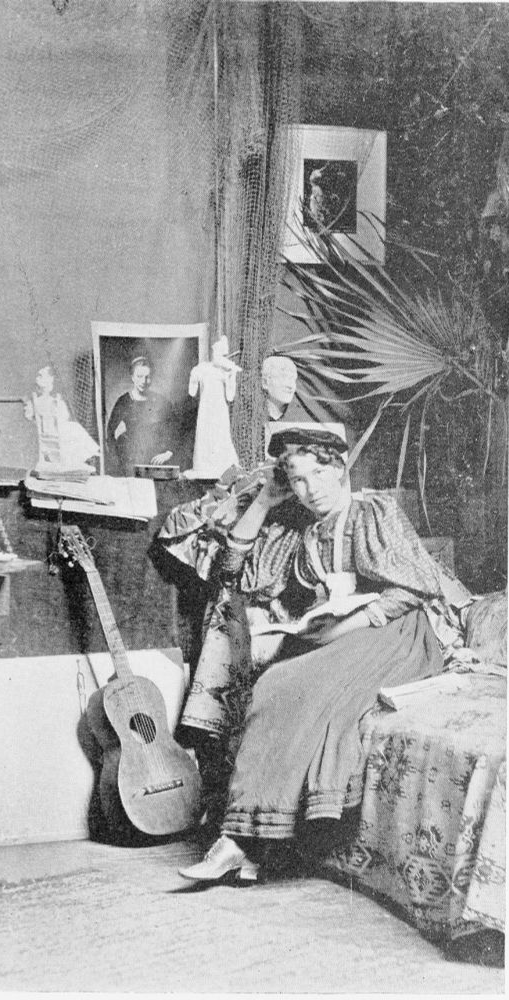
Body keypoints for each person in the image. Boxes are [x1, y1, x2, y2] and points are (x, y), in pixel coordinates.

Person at [159, 426, 454, 883]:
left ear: (340, 470)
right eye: (297, 479)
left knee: (297, 686)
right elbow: (233, 572)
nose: (310, 488)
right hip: (343, 636)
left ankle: (240, 844)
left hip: (396, 633)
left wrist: (353, 623)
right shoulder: (305, 533)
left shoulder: (373, 511)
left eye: (319, 473)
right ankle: (245, 841)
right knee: (273, 684)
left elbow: (417, 587)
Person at [105, 356, 177, 475]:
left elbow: (175, 430)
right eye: (139, 377)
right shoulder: (123, 402)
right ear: (132, 377)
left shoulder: (162, 401)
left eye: (147, 377)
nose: (143, 381)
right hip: (131, 462)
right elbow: (110, 434)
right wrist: (118, 463)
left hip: (156, 462)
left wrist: (168, 452)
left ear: (152, 378)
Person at [188, 335, 241, 478]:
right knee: (205, 432)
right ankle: (204, 464)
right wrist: (194, 380)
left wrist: (232, 376)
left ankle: (223, 465)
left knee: (220, 432)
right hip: (206, 407)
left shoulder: (225, 370)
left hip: (219, 407)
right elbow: (192, 390)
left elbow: (230, 396)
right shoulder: (202, 368)